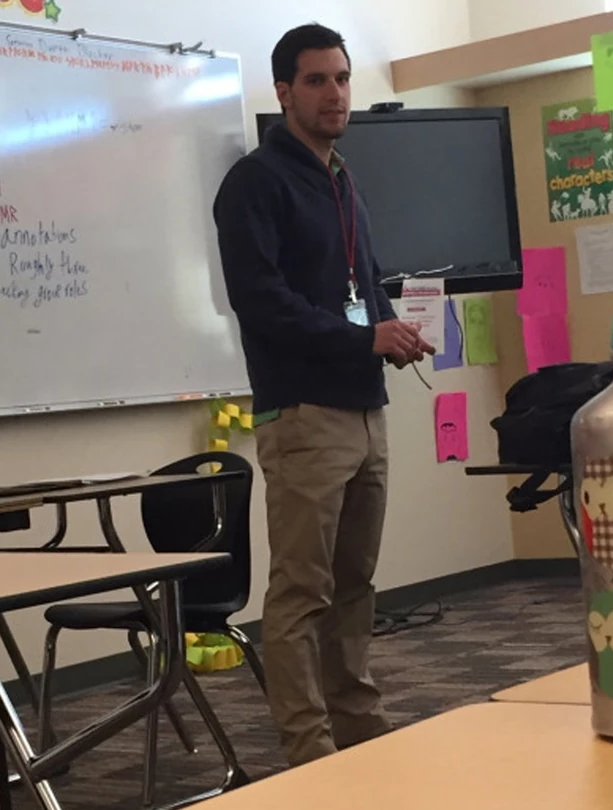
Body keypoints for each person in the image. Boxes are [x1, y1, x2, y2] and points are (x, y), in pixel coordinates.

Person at [213, 23, 434, 766]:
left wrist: (391, 330)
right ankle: (309, 748)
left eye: (342, 78)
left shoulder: (342, 178)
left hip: (365, 408)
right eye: (317, 81)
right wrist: (361, 338)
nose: (335, 93)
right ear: (285, 92)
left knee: (355, 584)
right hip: (304, 412)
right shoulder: (255, 182)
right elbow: (260, 301)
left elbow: (360, 283)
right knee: (302, 590)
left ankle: (357, 727)